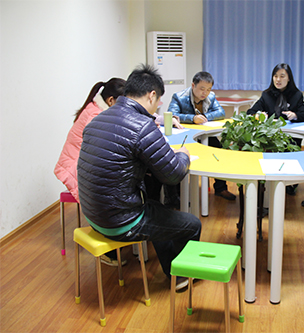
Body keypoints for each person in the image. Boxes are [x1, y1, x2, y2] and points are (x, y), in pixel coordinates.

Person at [78, 64, 202, 291]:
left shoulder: (98, 120)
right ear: (152, 94)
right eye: (158, 101)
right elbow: (173, 175)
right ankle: (182, 276)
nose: (158, 106)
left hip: (93, 215)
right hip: (119, 221)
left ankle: (171, 268)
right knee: (192, 224)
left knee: (157, 211)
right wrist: (183, 155)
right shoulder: (142, 125)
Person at [54, 78, 126, 266]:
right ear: (111, 100)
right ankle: (108, 246)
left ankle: (121, 236)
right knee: (115, 189)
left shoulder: (97, 109)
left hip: (82, 162)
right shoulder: (96, 115)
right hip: (76, 168)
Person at [168, 71, 236, 200]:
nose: (205, 93)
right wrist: (192, 118)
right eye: (202, 89)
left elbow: (220, 112)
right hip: (185, 136)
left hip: (204, 134)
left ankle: (220, 188)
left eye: (208, 89)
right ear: (193, 85)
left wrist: (205, 117)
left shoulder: (211, 97)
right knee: (180, 156)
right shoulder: (179, 97)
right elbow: (172, 115)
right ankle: (177, 195)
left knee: (219, 151)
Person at [247, 63, 304, 195]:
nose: (278, 80)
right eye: (275, 76)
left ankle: (290, 183)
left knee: (291, 148)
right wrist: (258, 115)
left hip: (290, 137)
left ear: (289, 79)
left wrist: (295, 115)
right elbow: (250, 112)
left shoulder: (296, 95)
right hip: (270, 137)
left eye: (282, 76)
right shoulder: (267, 95)